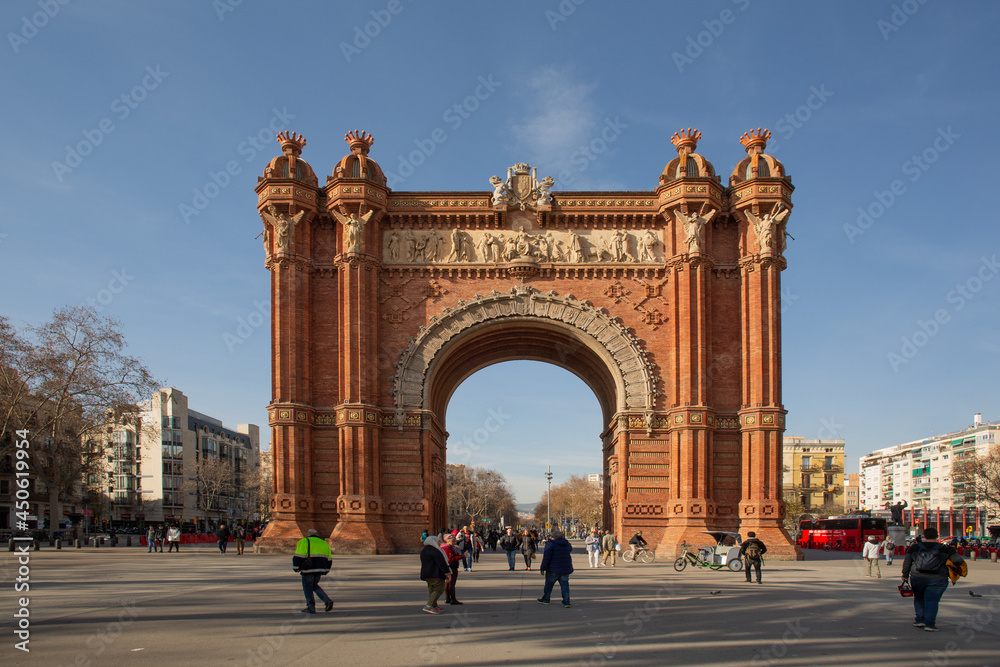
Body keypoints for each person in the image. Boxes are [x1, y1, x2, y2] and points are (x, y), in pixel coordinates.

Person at [901, 527, 965, 632]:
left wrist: (905, 574)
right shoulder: (945, 548)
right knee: (932, 600)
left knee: (919, 598)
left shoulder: (915, 547)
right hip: (938, 578)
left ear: (924, 536)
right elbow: (958, 560)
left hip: (917, 576)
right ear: (937, 535)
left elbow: (907, 561)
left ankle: (919, 620)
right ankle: (930, 624)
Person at [293, 529, 333, 613]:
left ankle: (311, 606)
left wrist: (296, 567)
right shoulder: (324, 542)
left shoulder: (304, 541)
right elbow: (329, 558)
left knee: (307, 588)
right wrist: (327, 569)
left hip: (308, 569)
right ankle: (326, 600)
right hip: (320, 569)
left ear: (308, 534)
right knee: (313, 585)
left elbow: (298, 556)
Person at [537, 529, 574, 607]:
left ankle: (546, 598)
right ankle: (566, 601)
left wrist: (543, 567)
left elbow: (546, 557)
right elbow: (570, 550)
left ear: (553, 536)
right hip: (565, 567)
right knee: (565, 585)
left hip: (553, 568)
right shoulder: (566, 544)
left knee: (549, 585)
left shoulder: (550, 544)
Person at [420, 536, 450, 614]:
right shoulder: (435, 551)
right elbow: (441, 562)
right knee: (439, 588)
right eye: (438, 541)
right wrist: (447, 572)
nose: (439, 543)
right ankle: (429, 605)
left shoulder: (424, 550)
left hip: (427, 573)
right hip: (435, 573)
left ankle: (433, 605)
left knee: (432, 589)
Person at [441, 534, 463, 605]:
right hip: (451, 567)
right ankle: (452, 599)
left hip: (449, 567)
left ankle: (448, 598)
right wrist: (461, 556)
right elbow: (451, 559)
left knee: (448, 583)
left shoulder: (449, 547)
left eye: (455, 541)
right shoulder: (447, 548)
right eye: (453, 541)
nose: (454, 543)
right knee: (451, 583)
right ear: (448, 541)